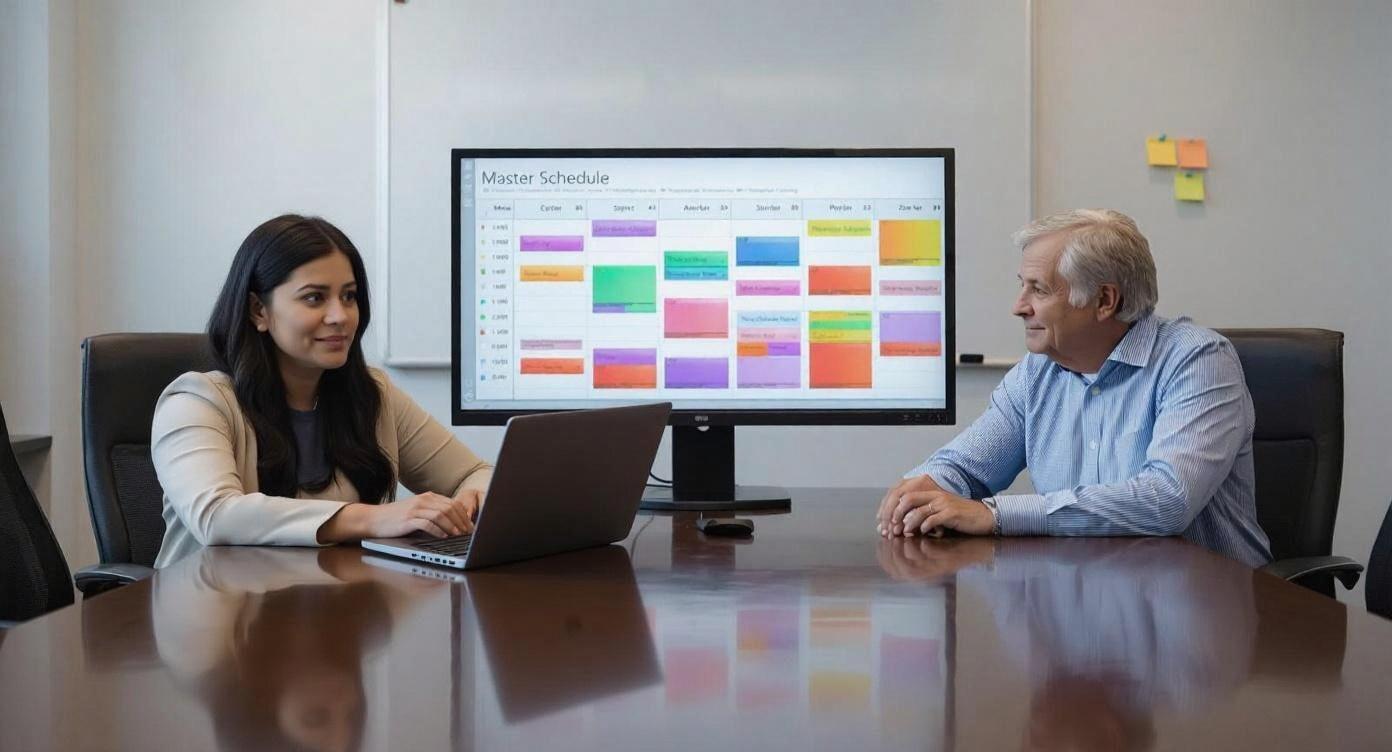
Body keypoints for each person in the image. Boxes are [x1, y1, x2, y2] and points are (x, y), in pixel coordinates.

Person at [875, 209, 1271, 566]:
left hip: (1204, 615)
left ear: (1104, 300)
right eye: (1022, 286)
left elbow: (1168, 500)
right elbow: (963, 467)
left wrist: (994, 515)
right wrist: (922, 493)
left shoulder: (1198, 360)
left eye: (1040, 290)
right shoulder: (1038, 373)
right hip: (1083, 605)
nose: (1019, 306)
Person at [152, 214, 491, 568]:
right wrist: (375, 518)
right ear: (258, 311)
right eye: (314, 298)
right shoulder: (196, 402)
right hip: (218, 613)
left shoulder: (373, 395)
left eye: (349, 296)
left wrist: (471, 500)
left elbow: (475, 473)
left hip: (339, 609)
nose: (340, 316)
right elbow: (217, 515)